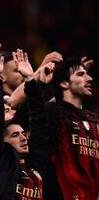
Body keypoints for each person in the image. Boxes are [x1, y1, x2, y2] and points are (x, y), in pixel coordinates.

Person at [0, 44, 56, 200]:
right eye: (15, 135)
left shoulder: (34, 161)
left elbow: (40, 122)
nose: (23, 138)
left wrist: (30, 79)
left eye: (23, 134)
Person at [46, 57, 99, 200]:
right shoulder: (53, 112)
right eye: (81, 74)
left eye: (86, 74)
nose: (90, 78)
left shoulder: (94, 119)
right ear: (64, 83)